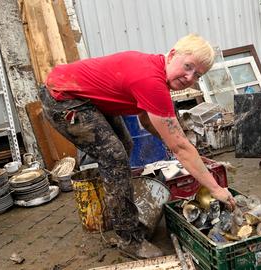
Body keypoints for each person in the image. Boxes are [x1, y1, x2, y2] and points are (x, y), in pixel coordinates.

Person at [39, 33, 236, 258]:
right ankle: (129, 239)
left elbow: (147, 122)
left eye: (197, 75)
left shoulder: (156, 71)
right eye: (188, 66)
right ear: (172, 55)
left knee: (124, 146)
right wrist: (216, 188)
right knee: (114, 157)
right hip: (63, 99)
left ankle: (119, 211)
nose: (189, 77)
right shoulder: (150, 80)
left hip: (85, 97)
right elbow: (181, 146)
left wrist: (187, 153)